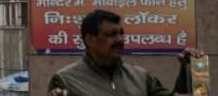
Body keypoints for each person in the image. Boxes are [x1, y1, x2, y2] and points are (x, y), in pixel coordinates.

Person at [48, 9, 197, 96]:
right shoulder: (65, 80)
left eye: (121, 34)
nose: (120, 40)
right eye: (111, 35)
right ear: (90, 40)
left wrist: (185, 69)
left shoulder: (139, 76)